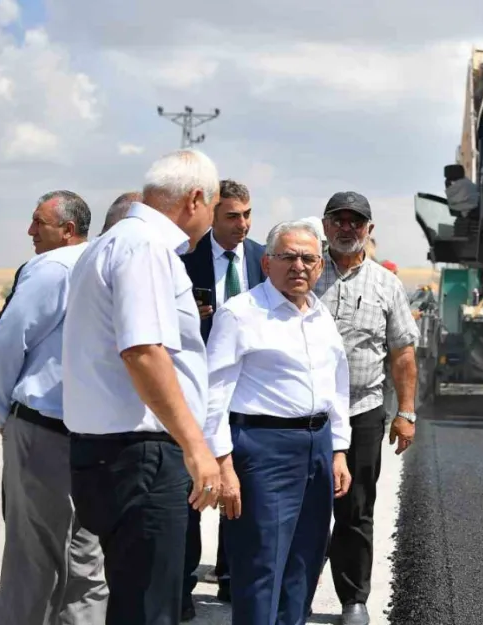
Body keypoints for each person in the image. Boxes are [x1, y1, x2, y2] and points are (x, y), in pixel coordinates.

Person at [61, 148, 238, 625]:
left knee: (133, 601)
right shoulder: (145, 247)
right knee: (149, 609)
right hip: (141, 456)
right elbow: (143, 352)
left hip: (109, 452)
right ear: (196, 199)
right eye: (215, 205)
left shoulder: (110, 243)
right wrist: (197, 446)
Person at [204, 219, 353, 624]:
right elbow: (214, 392)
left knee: (306, 560)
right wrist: (221, 463)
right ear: (267, 262)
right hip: (263, 448)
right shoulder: (241, 313)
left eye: (308, 258)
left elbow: (336, 385)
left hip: (317, 447)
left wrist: (338, 450)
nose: (299, 266)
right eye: (288, 257)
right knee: (261, 564)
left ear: (320, 266)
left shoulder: (320, 315)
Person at [0, 190, 108, 625]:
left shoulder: (52, 268)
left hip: (43, 430)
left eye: (39, 222)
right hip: (94, 433)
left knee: (31, 556)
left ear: (67, 230)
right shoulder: (102, 263)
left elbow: (6, 343)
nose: (30, 231)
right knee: (85, 558)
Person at [315, 191, 420, 625]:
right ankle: (295, 585)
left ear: (368, 230)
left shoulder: (386, 284)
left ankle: (353, 599)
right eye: (338, 220)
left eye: (355, 222)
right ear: (325, 226)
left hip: (363, 410)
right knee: (305, 505)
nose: (346, 228)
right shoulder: (305, 271)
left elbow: (402, 352)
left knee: (356, 507)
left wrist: (406, 412)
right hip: (307, 413)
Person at [177, 179, 266, 616]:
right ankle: (183, 584)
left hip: (246, 395)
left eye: (248, 214)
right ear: (211, 214)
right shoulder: (183, 259)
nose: (243, 224)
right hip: (193, 394)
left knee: (239, 487)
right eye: (233, 215)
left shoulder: (264, 259)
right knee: (192, 490)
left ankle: (231, 579)